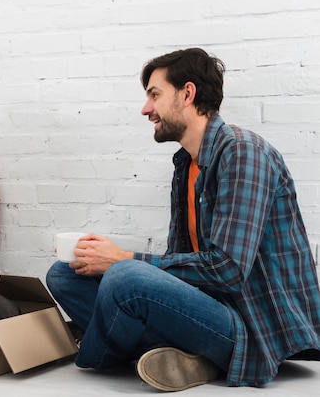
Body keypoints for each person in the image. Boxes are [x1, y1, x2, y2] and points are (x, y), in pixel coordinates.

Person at [46, 48, 320, 392]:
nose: (146, 109)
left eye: (154, 95)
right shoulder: (185, 164)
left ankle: (100, 349)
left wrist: (124, 259)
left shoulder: (243, 152)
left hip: (250, 327)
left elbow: (228, 270)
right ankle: (183, 357)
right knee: (65, 272)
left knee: (125, 276)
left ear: (187, 93)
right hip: (207, 310)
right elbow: (182, 263)